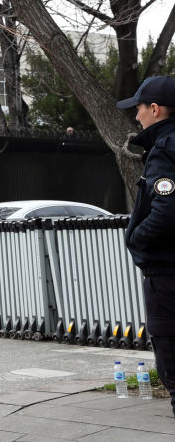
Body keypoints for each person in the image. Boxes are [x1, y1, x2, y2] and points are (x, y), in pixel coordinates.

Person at [118, 75, 175, 418]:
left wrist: (136, 238)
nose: (136, 117)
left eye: (138, 109)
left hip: (168, 275)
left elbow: (167, 209)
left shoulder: (165, 149)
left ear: (154, 109)